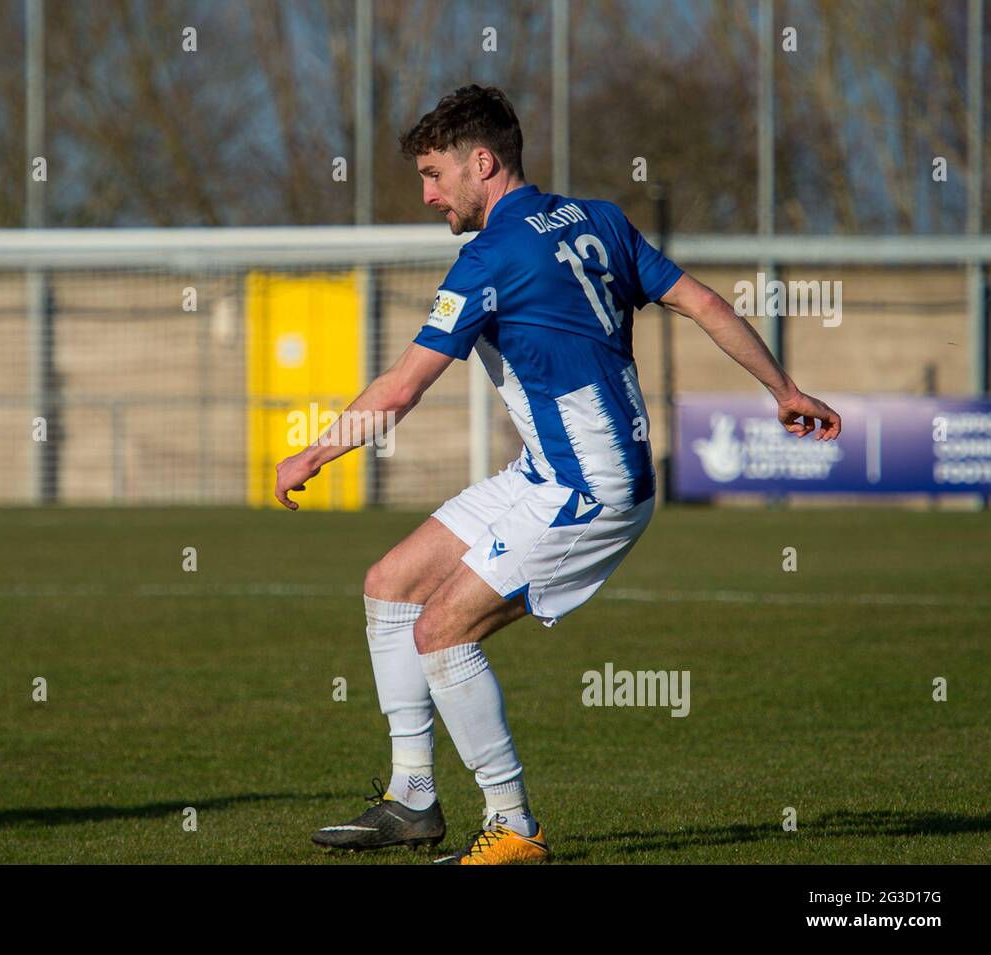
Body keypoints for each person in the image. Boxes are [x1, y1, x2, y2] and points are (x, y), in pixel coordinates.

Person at [273, 84, 841, 865]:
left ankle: (515, 829)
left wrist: (313, 451)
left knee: (443, 631)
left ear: (485, 161)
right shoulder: (600, 219)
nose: (429, 195)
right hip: (546, 472)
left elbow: (401, 389)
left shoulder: (489, 258)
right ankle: (412, 799)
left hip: (592, 490)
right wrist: (783, 390)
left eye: (436, 175)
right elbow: (706, 302)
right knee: (390, 583)